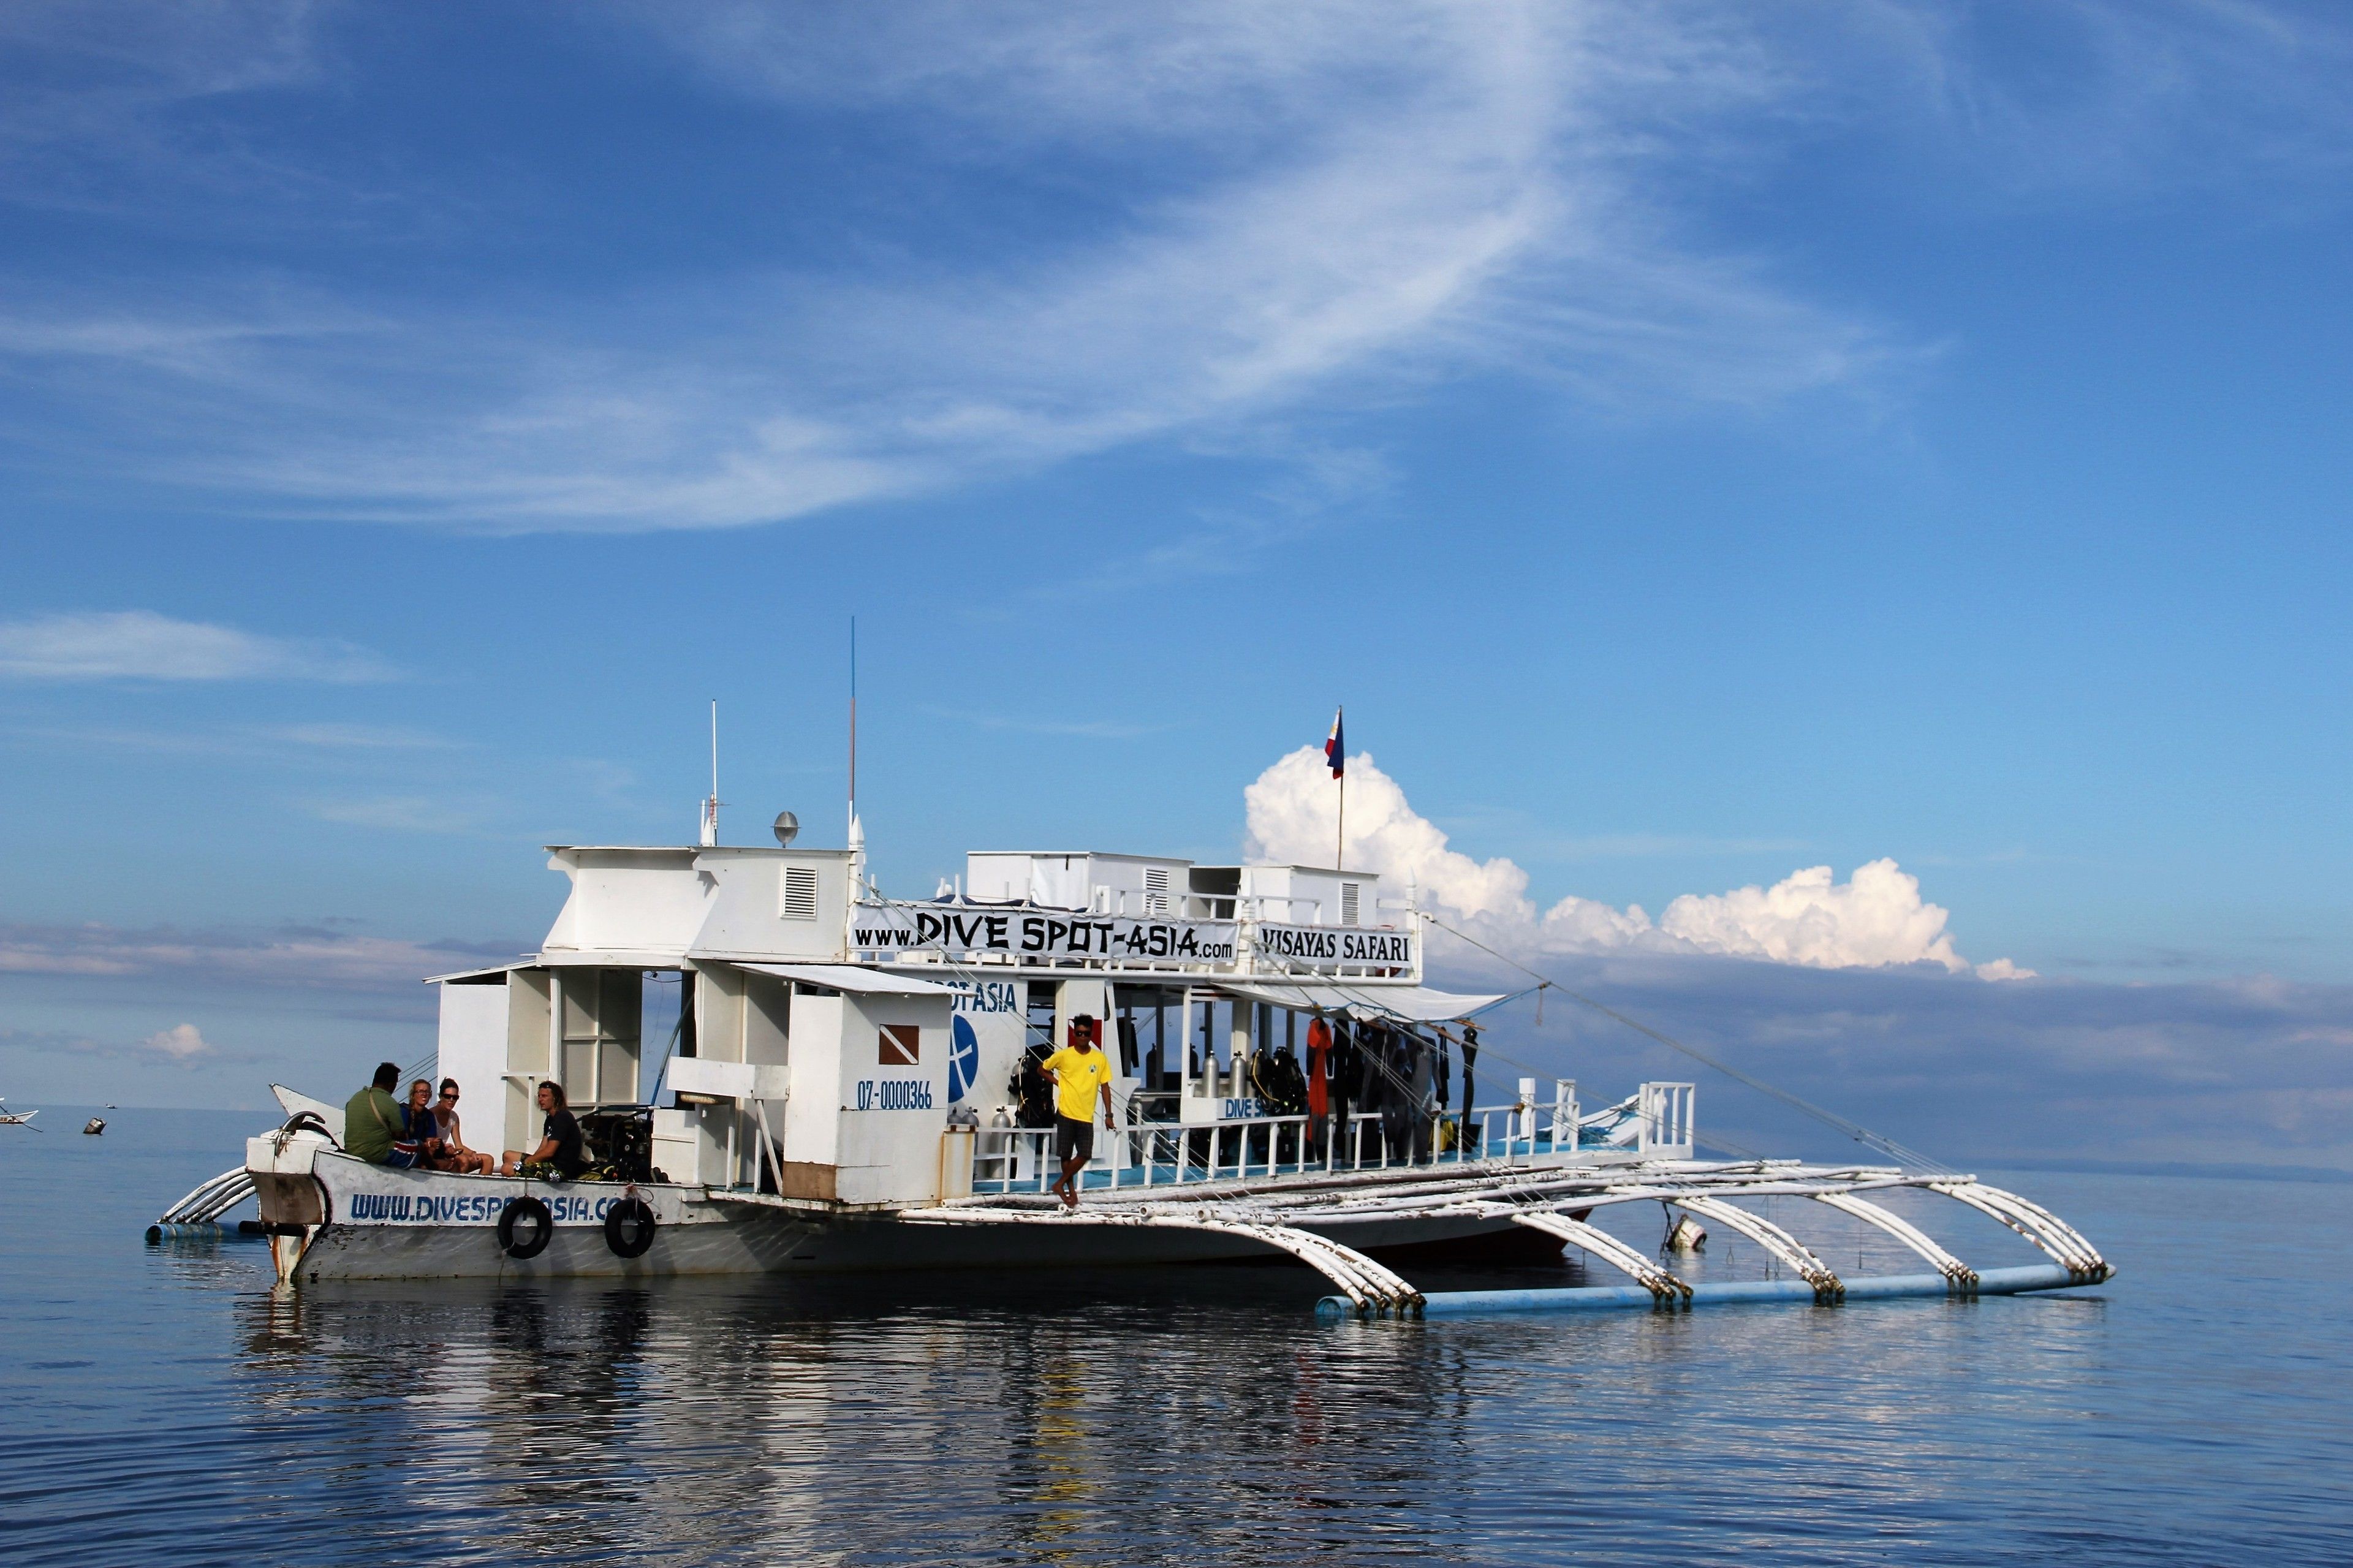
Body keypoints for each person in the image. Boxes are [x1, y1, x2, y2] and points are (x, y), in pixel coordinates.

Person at [1040, 1013, 1114, 1210]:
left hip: (1086, 1115)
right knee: (1065, 1155)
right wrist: (1059, 1083)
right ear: (1074, 1034)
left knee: (1084, 1154)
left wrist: (1109, 1115)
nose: (1082, 1037)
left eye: (1086, 1034)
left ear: (1091, 1034)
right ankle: (1070, 1191)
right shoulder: (1064, 1055)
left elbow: (1105, 1087)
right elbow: (1042, 1069)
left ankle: (1059, 1184)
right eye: (1079, 1033)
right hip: (1065, 1112)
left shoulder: (1099, 1059)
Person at [501, 1080, 588, 1180]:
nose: (540, 1100)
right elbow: (543, 1148)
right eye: (539, 1096)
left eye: (545, 1096)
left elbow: (549, 1152)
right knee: (508, 1156)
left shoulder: (562, 1118)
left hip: (560, 1169)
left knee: (506, 1169)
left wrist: (526, 1163)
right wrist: (529, 1163)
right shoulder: (550, 1119)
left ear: (555, 1098)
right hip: (549, 1162)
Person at [343, 1061, 415, 1166]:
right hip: (375, 1154)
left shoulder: (355, 1098)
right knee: (418, 1146)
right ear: (392, 1084)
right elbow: (400, 1136)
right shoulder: (390, 1103)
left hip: (351, 1151)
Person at [431, 1077, 494, 1175]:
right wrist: (445, 1149)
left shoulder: (454, 1117)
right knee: (463, 1160)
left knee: (488, 1160)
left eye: (455, 1097)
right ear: (441, 1097)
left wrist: (473, 1153)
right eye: (448, 1096)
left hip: (447, 1154)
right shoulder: (431, 1115)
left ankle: (480, 1189)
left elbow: (459, 1145)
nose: (451, 1100)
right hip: (435, 1155)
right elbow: (430, 1143)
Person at [403, 1078, 447, 1166]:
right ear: (413, 1095)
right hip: (407, 1153)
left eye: (427, 1092)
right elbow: (405, 1141)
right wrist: (429, 1145)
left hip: (423, 1153)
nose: (424, 1094)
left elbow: (431, 1143)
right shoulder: (404, 1111)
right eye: (420, 1091)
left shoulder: (429, 1116)